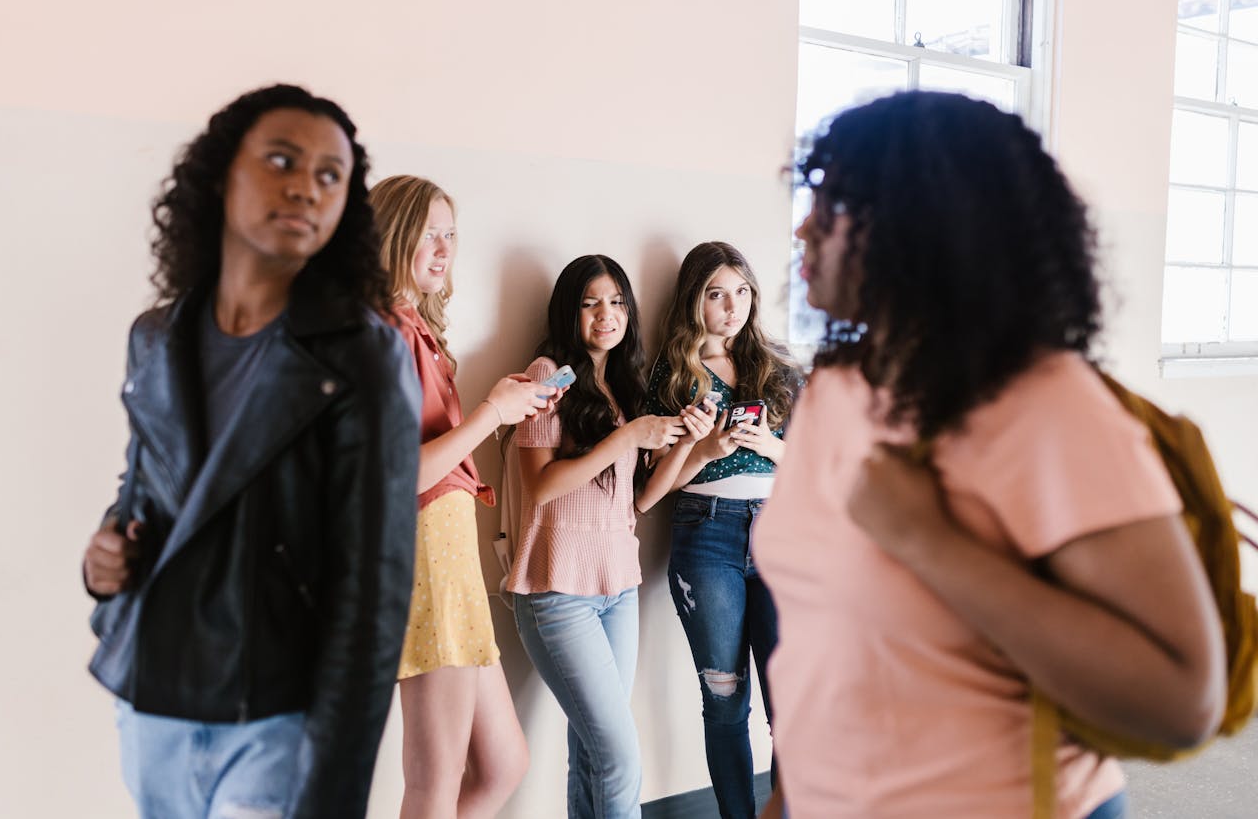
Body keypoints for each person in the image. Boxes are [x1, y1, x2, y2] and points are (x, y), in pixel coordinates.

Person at [754, 91, 1226, 819]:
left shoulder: (1045, 404)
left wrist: (928, 540)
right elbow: (823, 652)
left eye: (838, 203)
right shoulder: (834, 388)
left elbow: (1185, 697)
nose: (804, 227)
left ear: (926, 226)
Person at [81, 84, 423, 819]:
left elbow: (373, 595)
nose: (306, 185)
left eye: (331, 175)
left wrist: (333, 787)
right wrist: (103, 559)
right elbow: (145, 490)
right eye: (281, 159)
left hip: (276, 716)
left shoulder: (363, 355)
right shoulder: (155, 336)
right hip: (153, 699)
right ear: (221, 177)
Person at [369, 174, 549, 819]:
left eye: (451, 235)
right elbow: (400, 477)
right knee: (434, 780)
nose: (444, 249)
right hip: (426, 563)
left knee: (503, 765)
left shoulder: (413, 328)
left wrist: (506, 399)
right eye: (429, 234)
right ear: (392, 238)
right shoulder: (382, 334)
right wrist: (492, 414)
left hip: (448, 563)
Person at [509, 255, 687, 819]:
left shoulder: (622, 385)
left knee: (593, 752)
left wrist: (691, 444)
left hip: (618, 585)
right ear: (569, 312)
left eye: (616, 302)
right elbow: (540, 487)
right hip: (557, 590)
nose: (606, 314)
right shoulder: (546, 375)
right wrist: (629, 435)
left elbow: (637, 500)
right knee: (618, 754)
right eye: (590, 302)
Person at [638, 241, 802, 819]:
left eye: (741, 292)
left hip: (780, 533)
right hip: (705, 535)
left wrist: (770, 446)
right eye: (715, 294)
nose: (731, 306)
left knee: (791, 702)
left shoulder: (777, 367)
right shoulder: (670, 374)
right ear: (694, 301)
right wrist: (706, 449)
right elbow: (651, 485)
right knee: (725, 698)